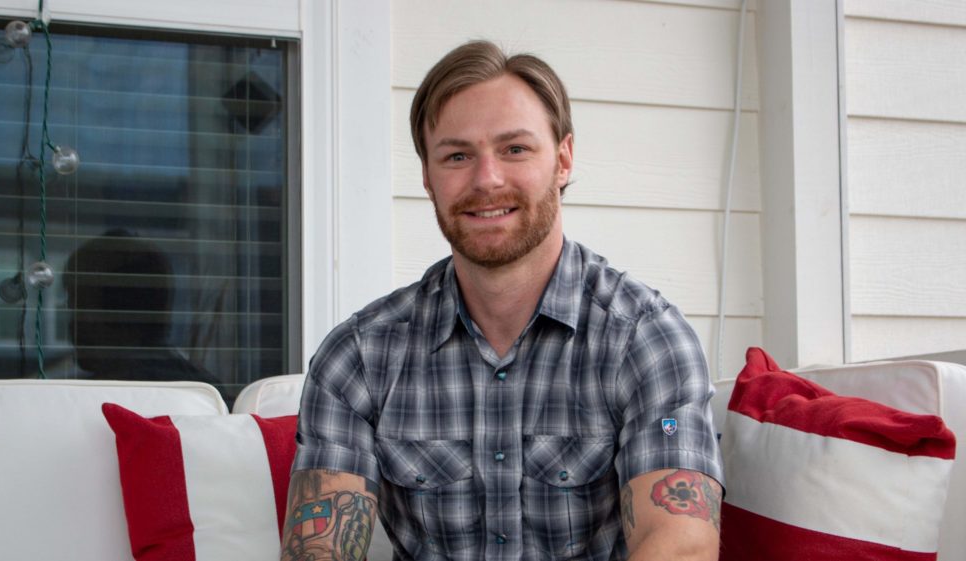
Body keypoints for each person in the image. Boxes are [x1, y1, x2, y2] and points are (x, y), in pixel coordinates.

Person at [283, 40, 724, 561]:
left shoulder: (645, 339)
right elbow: (319, 553)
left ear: (562, 159)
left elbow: (679, 547)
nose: (486, 179)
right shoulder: (358, 357)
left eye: (515, 149)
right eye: (457, 155)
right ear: (427, 177)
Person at [63, 228, 221, 388]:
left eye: (77, 306)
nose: (72, 325)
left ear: (117, 311)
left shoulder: (93, 398)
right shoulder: (203, 392)